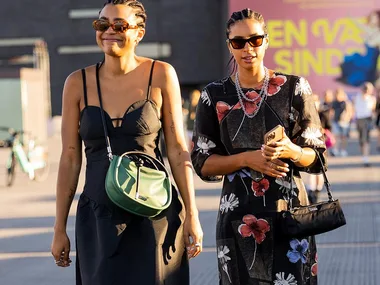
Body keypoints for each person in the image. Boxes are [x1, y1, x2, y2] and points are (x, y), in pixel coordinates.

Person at [50, 1, 203, 284]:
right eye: (102, 24)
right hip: (98, 217)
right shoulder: (76, 83)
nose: (109, 31)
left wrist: (193, 213)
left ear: (139, 33)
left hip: (153, 214)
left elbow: (178, 149)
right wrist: (59, 227)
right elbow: (70, 158)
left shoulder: (161, 74)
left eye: (119, 25)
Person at [191, 8, 326, 285]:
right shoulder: (214, 95)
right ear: (230, 45)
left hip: (289, 214)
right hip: (237, 218)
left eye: (254, 39)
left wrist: (292, 150)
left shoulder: (295, 88)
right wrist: (247, 159)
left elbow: (318, 158)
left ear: (266, 40)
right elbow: (202, 163)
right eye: (238, 42)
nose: (247, 48)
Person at [337, 10, 380, 87]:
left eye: (375, 17)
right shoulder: (370, 30)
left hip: (369, 63)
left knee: (354, 59)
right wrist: (350, 17)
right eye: (372, 17)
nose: (373, 19)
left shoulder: (378, 34)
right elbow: (360, 26)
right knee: (352, 59)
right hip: (365, 60)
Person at [353, 82, 377, 166]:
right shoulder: (358, 97)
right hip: (360, 119)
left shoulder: (372, 99)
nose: (367, 90)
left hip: (367, 120)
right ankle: (364, 156)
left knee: (366, 139)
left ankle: (366, 158)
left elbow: (373, 109)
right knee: (361, 140)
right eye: (366, 88)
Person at [331, 88, 354, 156]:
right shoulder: (334, 102)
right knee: (336, 136)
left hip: (344, 122)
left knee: (344, 137)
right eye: (336, 94)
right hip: (336, 121)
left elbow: (350, 111)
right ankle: (335, 150)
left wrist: (347, 118)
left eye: (338, 94)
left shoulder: (346, 102)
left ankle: (343, 150)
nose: (337, 96)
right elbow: (332, 111)